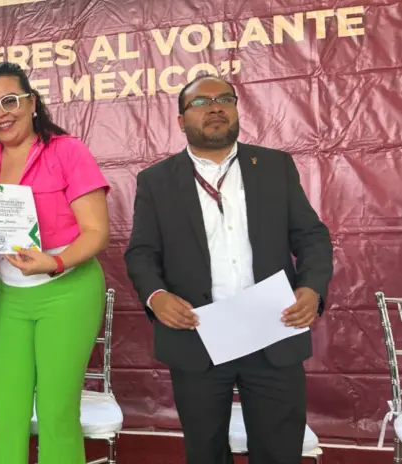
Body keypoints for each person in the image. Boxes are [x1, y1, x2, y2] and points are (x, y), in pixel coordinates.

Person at [123, 75, 334, 464]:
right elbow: (141, 253)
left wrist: (312, 288)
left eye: (224, 98)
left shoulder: (274, 166)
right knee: (205, 451)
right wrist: (157, 296)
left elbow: (312, 238)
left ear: (237, 108)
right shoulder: (156, 180)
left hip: (273, 329)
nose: (215, 107)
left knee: (279, 451)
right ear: (180, 119)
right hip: (199, 334)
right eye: (201, 103)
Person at [0, 62, 111, 464]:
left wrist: (55, 261)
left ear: (32, 102)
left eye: (10, 100)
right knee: (7, 413)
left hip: (68, 291)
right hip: (10, 296)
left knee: (56, 411)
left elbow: (96, 232)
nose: (1, 113)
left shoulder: (67, 151)